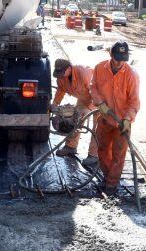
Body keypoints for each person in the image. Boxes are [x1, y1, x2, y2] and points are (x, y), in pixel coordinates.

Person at [90, 41, 140, 196]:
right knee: (103, 150)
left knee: (119, 153)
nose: (119, 63)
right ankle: (106, 176)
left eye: (123, 59)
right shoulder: (99, 68)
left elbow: (134, 101)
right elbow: (93, 87)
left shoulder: (131, 75)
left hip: (122, 123)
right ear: (110, 55)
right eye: (117, 58)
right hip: (105, 118)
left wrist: (127, 119)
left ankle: (112, 183)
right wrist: (100, 102)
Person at [50, 59, 99, 166]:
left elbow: (94, 90)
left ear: (69, 68)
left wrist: (90, 107)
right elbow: (60, 90)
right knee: (76, 121)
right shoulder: (61, 78)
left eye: (62, 73)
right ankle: (71, 146)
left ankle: (94, 155)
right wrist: (55, 104)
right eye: (58, 74)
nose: (60, 76)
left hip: (99, 98)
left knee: (98, 127)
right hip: (83, 98)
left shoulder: (84, 73)